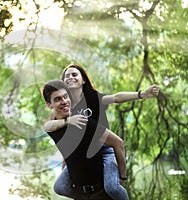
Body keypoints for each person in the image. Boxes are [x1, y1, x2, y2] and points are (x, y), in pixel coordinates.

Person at [43, 64, 160, 200]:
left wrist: (142, 94)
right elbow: (52, 129)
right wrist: (67, 165)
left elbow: (116, 98)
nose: (70, 77)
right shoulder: (65, 108)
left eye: (74, 74)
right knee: (59, 186)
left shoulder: (92, 98)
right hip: (82, 153)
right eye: (67, 76)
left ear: (83, 80)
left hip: (104, 148)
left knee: (112, 187)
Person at [42, 80, 130, 200]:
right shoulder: (52, 128)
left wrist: (122, 177)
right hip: (80, 194)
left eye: (65, 97)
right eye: (57, 99)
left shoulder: (83, 122)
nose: (64, 102)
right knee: (59, 187)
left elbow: (118, 142)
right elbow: (66, 147)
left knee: (113, 188)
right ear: (49, 105)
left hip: (101, 191)